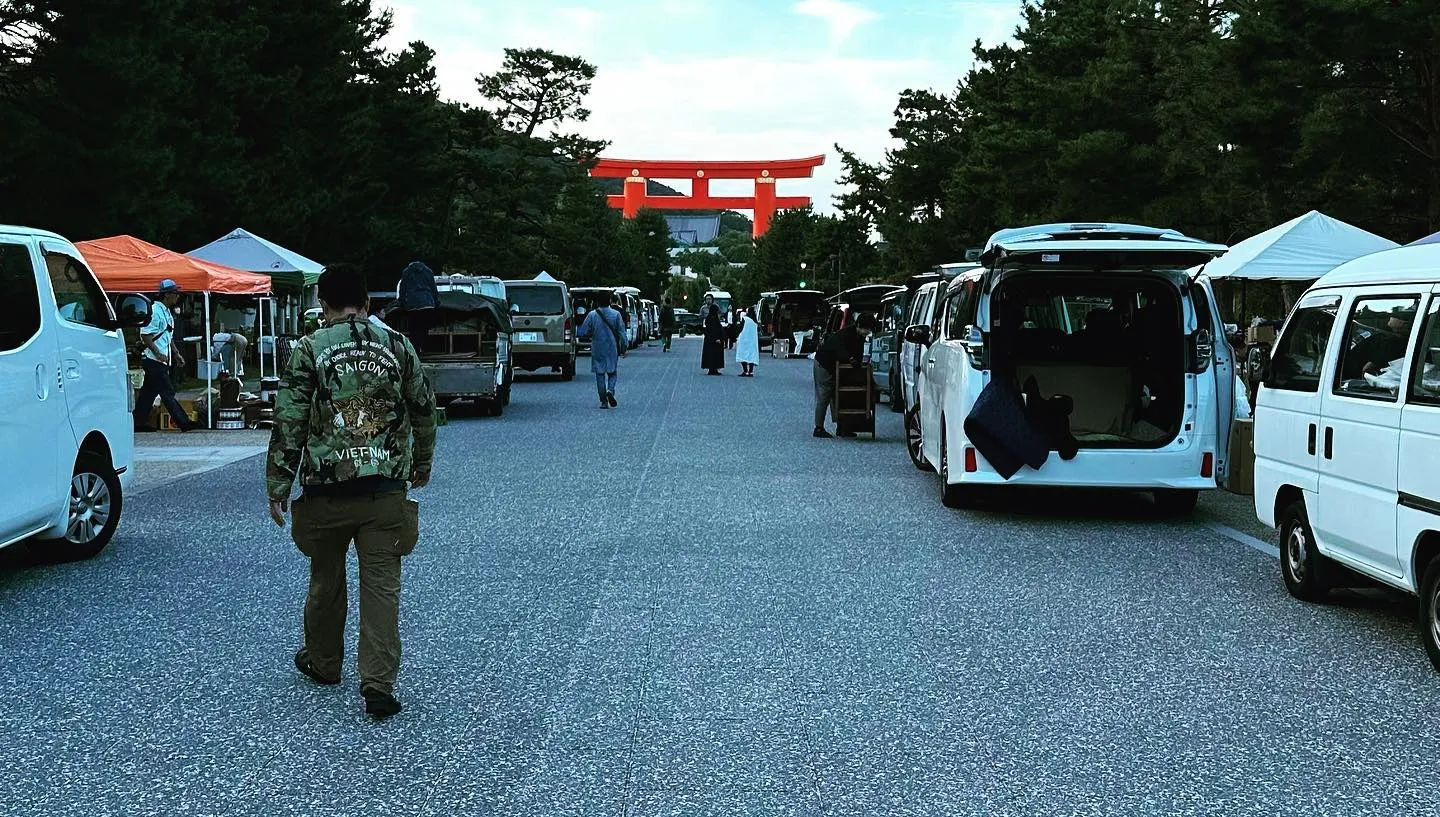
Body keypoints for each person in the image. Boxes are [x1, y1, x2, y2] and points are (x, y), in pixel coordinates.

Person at [266, 263, 436, 721]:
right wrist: (421, 463)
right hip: (384, 491)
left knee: (326, 577)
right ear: (367, 302)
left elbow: (290, 421)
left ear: (322, 304)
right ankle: (377, 684)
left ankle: (324, 663)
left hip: (326, 490)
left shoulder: (309, 349)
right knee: (381, 585)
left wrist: (278, 484)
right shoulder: (398, 346)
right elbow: (423, 407)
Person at [133, 278, 196, 432]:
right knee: (167, 392)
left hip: (160, 359)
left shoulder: (167, 312)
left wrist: (176, 354)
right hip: (154, 359)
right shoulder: (155, 311)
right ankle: (184, 423)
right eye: (175, 293)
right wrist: (158, 353)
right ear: (167, 294)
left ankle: (138, 422)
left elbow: (168, 336)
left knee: (148, 393)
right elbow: (145, 335)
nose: (177, 296)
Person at [813, 313, 877, 438]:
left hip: (837, 367)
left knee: (841, 395)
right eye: (866, 329)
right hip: (824, 365)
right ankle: (818, 428)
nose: (867, 332)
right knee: (825, 394)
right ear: (858, 325)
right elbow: (841, 351)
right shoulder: (844, 335)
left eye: (869, 330)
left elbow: (857, 355)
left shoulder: (859, 336)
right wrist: (850, 359)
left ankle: (842, 427)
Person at [577, 292, 626, 408]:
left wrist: (592, 333)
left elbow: (584, 331)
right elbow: (622, 333)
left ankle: (603, 401)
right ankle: (610, 390)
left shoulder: (592, 315)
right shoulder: (616, 314)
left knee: (600, 374)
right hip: (612, 347)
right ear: (609, 301)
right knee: (612, 372)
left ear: (597, 302)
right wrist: (624, 347)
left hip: (598, 347)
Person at [396, 260, 441, 350]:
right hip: (427, 303)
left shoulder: (407, 272)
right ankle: (423, 347)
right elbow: (433, 288)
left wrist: (402, 303)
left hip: (413, 304)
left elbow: (403, 289)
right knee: (424, 327)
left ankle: (415, 349)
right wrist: (436, 302)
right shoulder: (428, 271)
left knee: (414, 328)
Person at [700, 294, 726, 375]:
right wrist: (717, 338)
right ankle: (713, 368)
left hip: (709, 340)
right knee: (714, 354)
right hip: (714, 340)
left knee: (710, 354)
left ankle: (713, 369)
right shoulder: (712, 319)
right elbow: (714, 329)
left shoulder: (710, 318)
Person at [736, 307, 760, 377]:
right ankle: (751, 371)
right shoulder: (755, 321)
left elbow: (740, 328)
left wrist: (737, 335)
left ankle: (745, 370)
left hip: (744, 339)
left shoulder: (745, 319)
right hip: (752, 341)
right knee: (751, 355)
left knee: (742, 354)